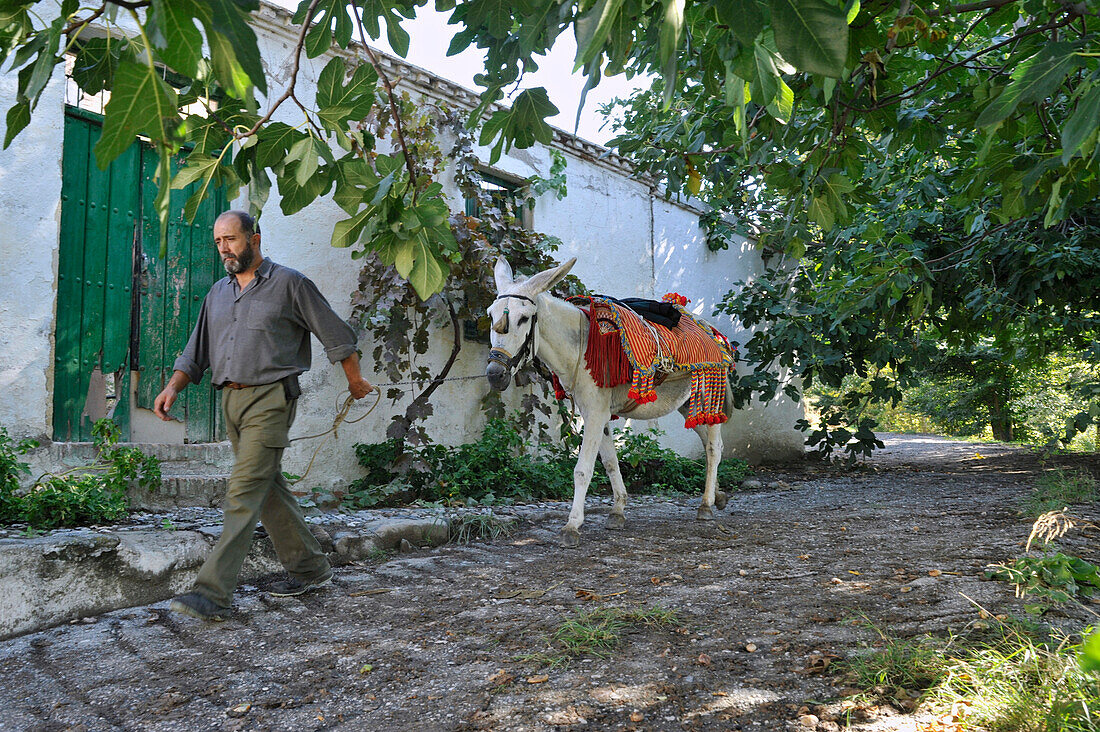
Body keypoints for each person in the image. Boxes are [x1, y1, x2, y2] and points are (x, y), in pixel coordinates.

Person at [154, 210, 376, 620]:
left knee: (243, 489)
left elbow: (336, 335)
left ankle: (212, 592)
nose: (224, 249)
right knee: (267, 486)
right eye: (218, 241)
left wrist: (355, 381)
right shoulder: (217, 294)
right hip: (230, 402)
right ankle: (310, 568)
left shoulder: (290, 284)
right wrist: (172, 387)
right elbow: (195, 352)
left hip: (272, 399)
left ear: (255, 238)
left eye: (231, 240)